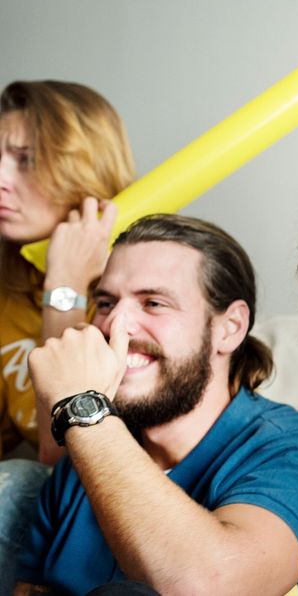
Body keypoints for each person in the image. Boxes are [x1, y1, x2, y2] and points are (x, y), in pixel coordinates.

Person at [15, 214, 298, 595]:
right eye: (106, 302)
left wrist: (83, 407)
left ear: (229, 328)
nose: (116, 326)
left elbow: (204, 586)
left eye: (154, 303)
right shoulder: (83, 455)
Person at [0, 80, 135, 591]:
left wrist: (65, 287)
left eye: (26, 159)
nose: (1, 179)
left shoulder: (138, 289)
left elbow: (63, 456)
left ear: (82, 169)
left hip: (98, 507)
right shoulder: (8, 281)